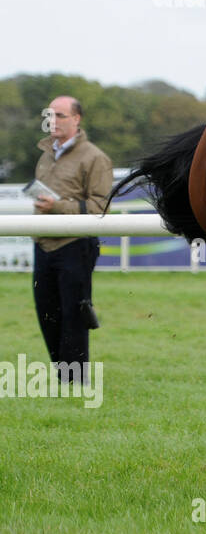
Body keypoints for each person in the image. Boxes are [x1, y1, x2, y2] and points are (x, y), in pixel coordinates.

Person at [32, 96, 113, 383]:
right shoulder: (44, 154)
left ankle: (75, 381)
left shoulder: (95, 158)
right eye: (50, 114)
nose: (53, 120)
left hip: (75, 246)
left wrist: (57, 207)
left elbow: (101, 208)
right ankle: (62, 376)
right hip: (43, 244)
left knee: (74, 314)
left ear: (76, 119)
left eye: (60, 115)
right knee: (46, 314)